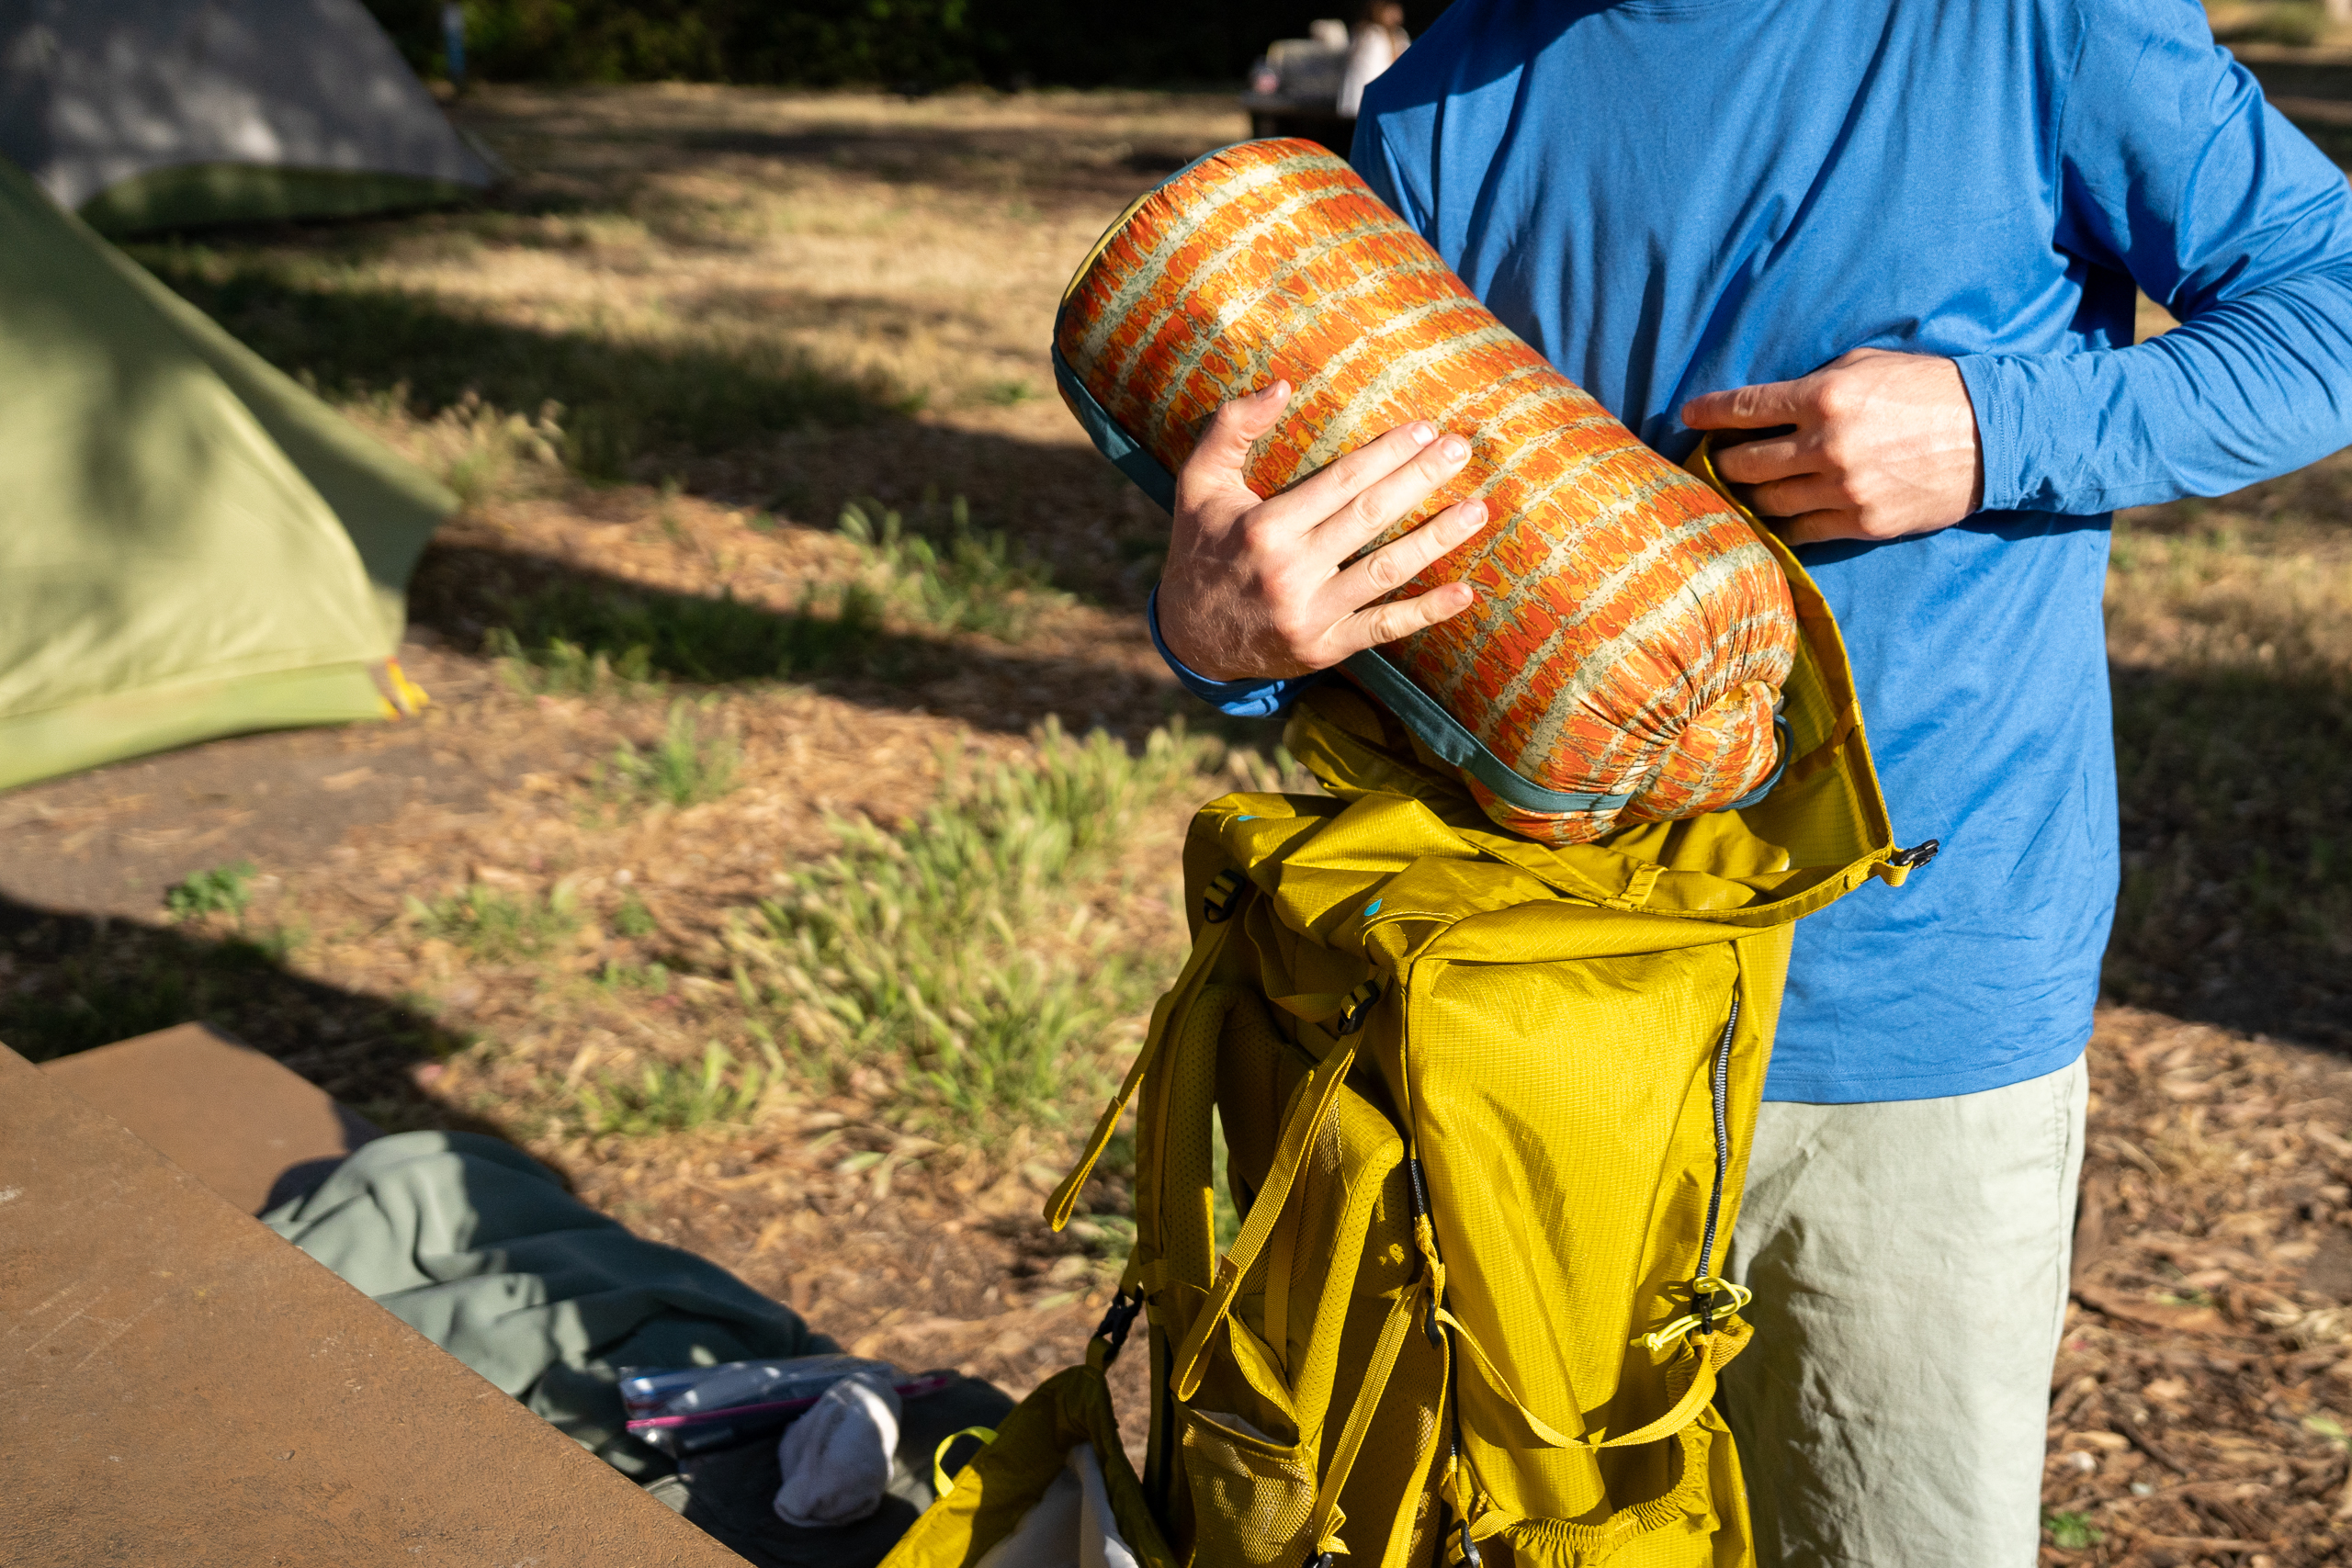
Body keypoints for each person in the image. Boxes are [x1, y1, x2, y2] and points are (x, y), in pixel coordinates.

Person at [1144, 2, 2352, 1561]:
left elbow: (2330, 304)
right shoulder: (1444, 96)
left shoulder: (2033, 20)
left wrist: (1993, 427)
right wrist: (1224, 629)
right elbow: (1389, 583)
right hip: (1544, 1026)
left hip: (1909, 1006)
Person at [1338, 2, 1409, 117]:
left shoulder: (1398, 36)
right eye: (1390, 8)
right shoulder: (1371, 36)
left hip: (1375, 104)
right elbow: (1368, 76)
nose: (1396, 13)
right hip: (1364, 106)